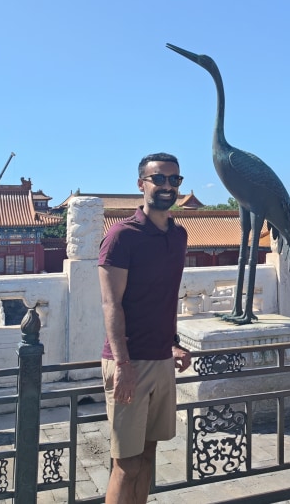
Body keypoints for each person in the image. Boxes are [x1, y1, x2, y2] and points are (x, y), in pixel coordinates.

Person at [99, 152, 192, 504]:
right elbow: (112, 304)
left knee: (148, 458)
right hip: (129, 363)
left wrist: (173, 343)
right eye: (160, 179)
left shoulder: (179, 236)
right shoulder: (122, 237)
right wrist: (122, 365)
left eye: (174, 180)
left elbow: (163, 297)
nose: (168, 186)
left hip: (161, 359)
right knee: (126, 465)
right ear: (142, 184)